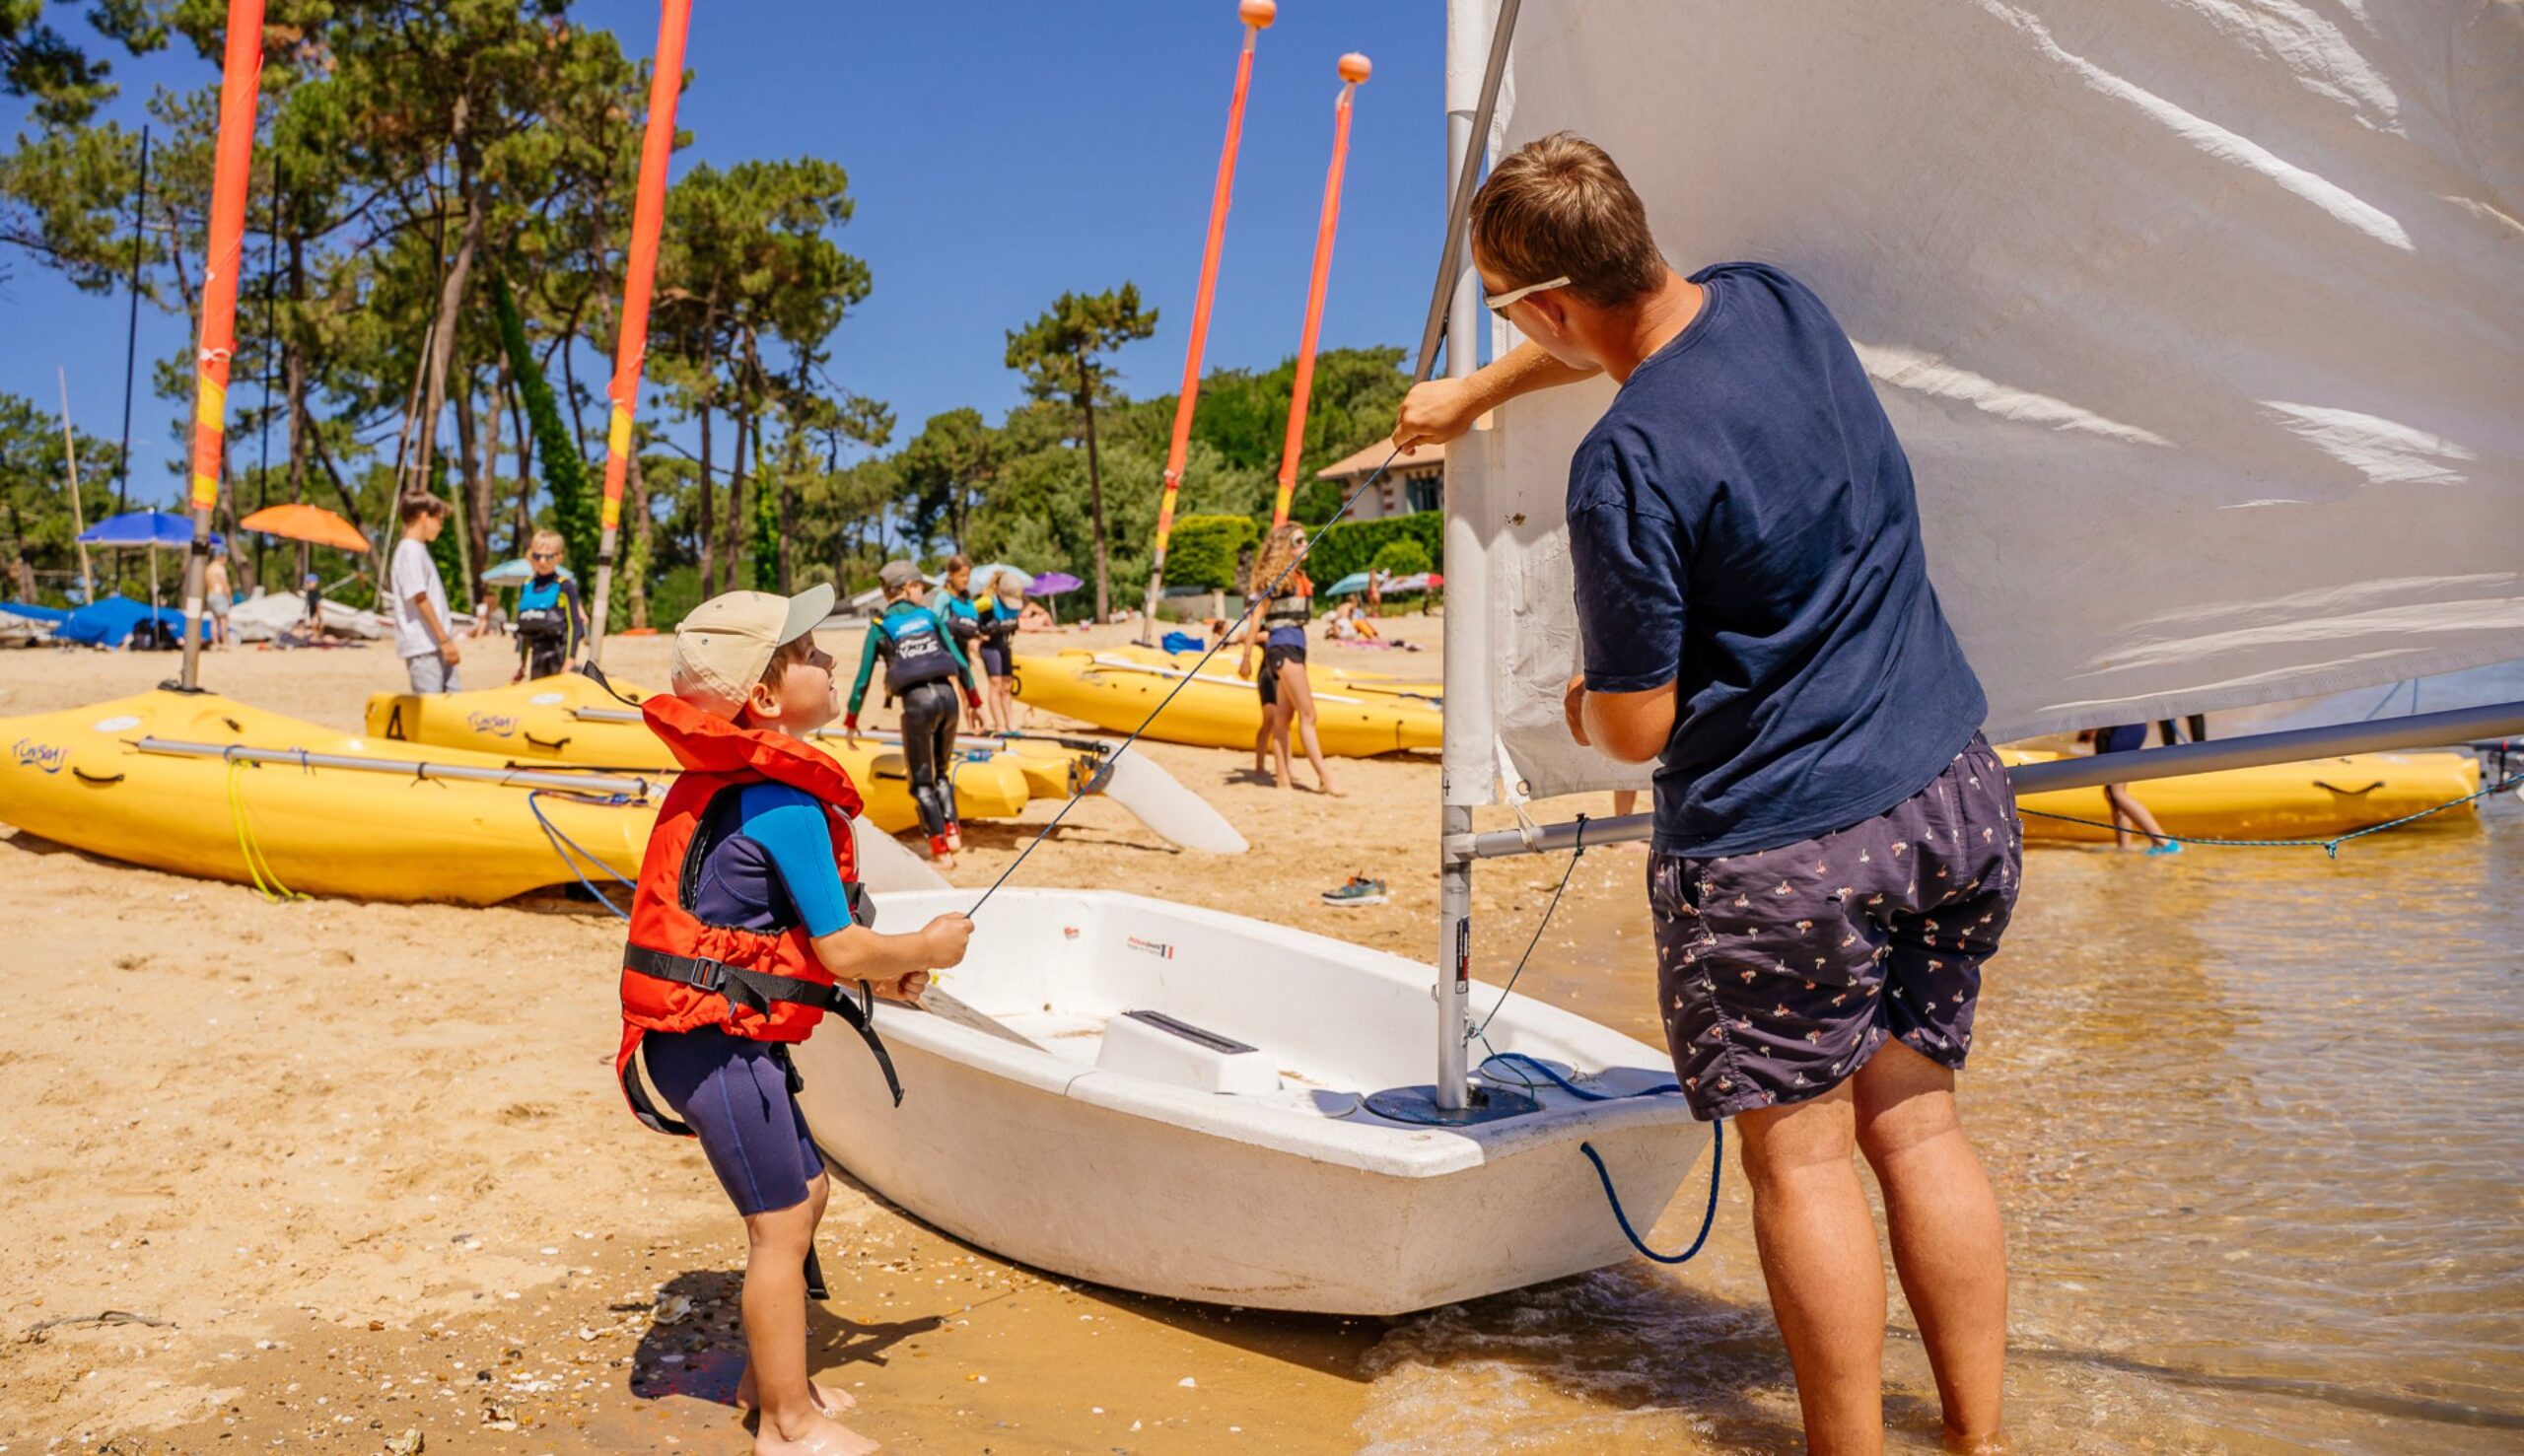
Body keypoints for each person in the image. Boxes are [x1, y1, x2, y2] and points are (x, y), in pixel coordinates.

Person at [1395, 133, 2016, 1454]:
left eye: (1518, 313)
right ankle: (1978, 1438)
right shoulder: (1778, 302)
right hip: (1953, 789)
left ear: (1549, 308)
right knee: (1917, 1126)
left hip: (1787, 850)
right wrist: (1484, 389)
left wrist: (1565, 701)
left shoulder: (1623, 464)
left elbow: (1634, 727)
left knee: (1801, 1164)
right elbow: (1615, 320)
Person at [617, 584, 971, 1456]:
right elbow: (845, 948)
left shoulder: (743, 782)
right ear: (766, 698)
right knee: (779, 1223)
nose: (831, 661)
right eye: (811, 654)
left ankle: (764, 1379)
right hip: (712, 1045)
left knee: (806, 1192)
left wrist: (889, 971)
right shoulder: (784, 803)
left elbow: (785, 941)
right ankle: (785, 1422)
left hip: (719, 1035)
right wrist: (928, 943)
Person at [844, 561, 983, 867]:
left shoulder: (879, 627)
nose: (924, 593)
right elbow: (959, 661)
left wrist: (851, 720)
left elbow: (862, 679)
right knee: (942, 772)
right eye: (921, 587)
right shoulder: (931, 617)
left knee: (921, 782)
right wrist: (975, 702)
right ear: (906, 588)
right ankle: (952, 831)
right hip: (948, 699)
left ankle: (940, 849)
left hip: (917, 704)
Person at [1236, 522, 1340, 797]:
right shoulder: (1277, 581)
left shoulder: (1297, 578)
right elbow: (1256, 619)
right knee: (1308, 714)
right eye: (1298, 541)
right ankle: (1325, 778)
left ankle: (1282, 778)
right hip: (1282, 649)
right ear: (1286, 548)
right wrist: (1246, 658)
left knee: (1284, 717)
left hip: (1293, 648)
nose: (1305, 544)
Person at [388, 494, 462, 693]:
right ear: (423, 516)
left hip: (435, 643)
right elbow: (419, 597)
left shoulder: (418, 550)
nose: (441, 527)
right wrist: (444, 640)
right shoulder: (409, 551)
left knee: (453, 705)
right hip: (425, 646)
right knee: (433, 709)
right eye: (439, 520)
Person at [2087, 724, 2180, 855]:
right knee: (2111, 793)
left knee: (2117, 792)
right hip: (2114, 729)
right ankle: (2125, 846)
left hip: (2126, 729)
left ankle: (2164, 842)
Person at [511, 531, 587, 682]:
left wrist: (570, 660)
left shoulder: (565, 586)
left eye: (549, 556)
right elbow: (526, 629)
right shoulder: (526, 585)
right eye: (538, 556)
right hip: (536, 656)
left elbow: (575, 625)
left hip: (559, 654)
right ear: (531, 556)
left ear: (559, 558)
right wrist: (523, 664)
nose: (543, 561)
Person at [973, 570, 1030, 734]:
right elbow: (968, 613)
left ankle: (1011, 724)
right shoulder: (987, 602)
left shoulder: (1017, 602)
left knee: (1007, 685)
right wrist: (977, 634)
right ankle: (1000, 726)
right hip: (990, 647)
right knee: (995, 684)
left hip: (1004, 646)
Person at [203, 545, 232, 650]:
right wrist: (229, 598)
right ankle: (225, 642)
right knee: (224, 619)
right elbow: (225, 584)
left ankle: (215, 643)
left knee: (214, 620)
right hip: (219, 594)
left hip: (210, 595)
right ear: (221, 557)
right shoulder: (220, 569)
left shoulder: (208, 568)